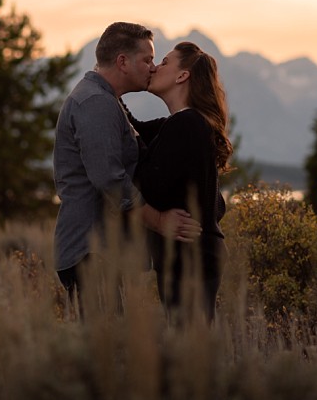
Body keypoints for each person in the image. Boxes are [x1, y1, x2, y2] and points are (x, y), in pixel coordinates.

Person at [53, 22, 202, 313]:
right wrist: (160, 221)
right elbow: (110, 181)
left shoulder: (108, 101)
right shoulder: (96, 103)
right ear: (122, 61)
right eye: (147, 59)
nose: (152, 67)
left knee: (113, 347)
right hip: (90, 251)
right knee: (107, 348)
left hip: (103, 252)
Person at [126, 41, 233, 322]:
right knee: (189, 345)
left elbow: (149, 185)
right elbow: (133, 127)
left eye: (163, 62)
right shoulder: (182, 124)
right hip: (192, 256)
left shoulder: (186, 125)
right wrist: (113, 81)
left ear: (181, 76)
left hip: (191, 260)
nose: (155, 67)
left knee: (190, 349)